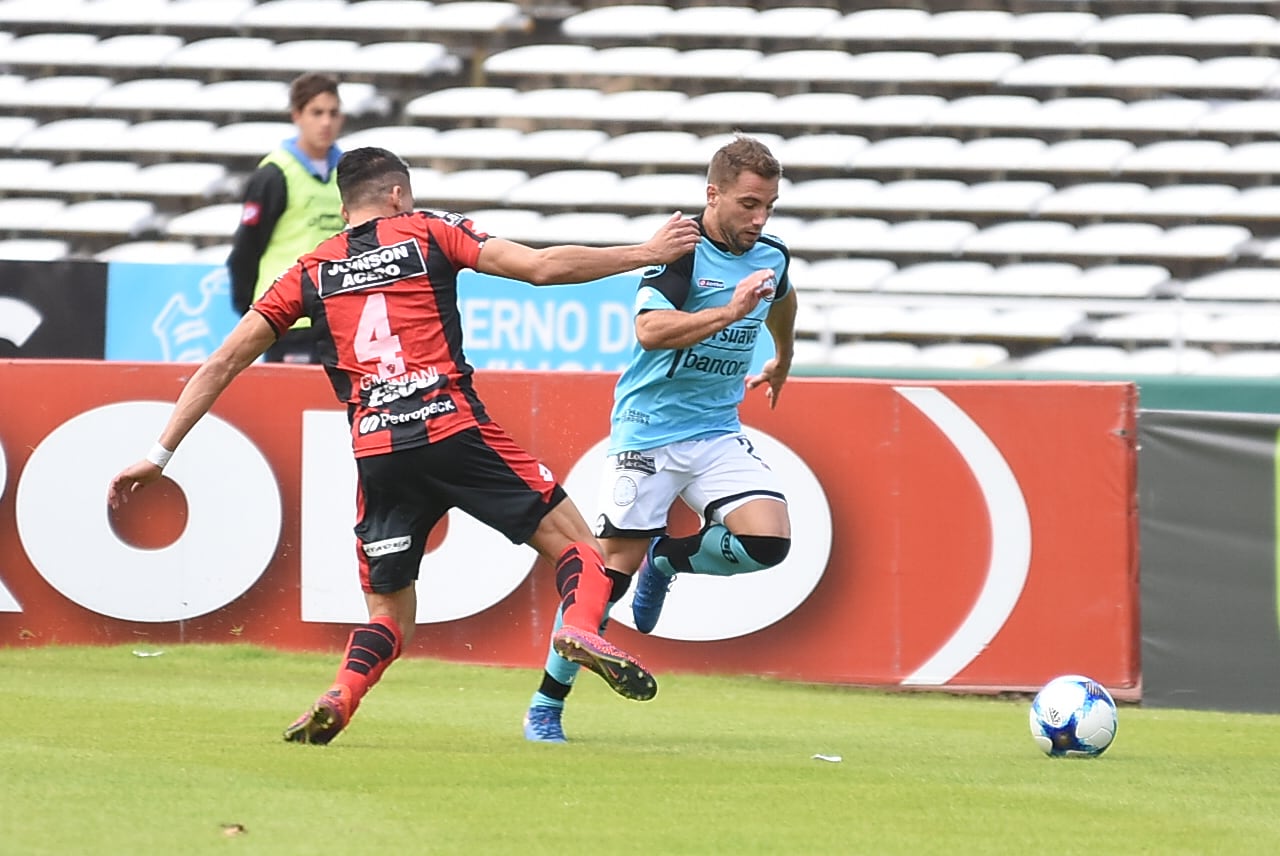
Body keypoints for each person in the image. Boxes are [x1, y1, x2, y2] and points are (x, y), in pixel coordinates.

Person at [108, 146, 702, 746]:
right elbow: (540, 267)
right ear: (397, 194)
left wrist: (159, 456)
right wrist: (647, 253)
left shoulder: (309, 270)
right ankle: (578, 627)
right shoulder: (429, 233)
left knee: (390, 615)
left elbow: (223, 361)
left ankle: (342, 693)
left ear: (343, 208)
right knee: (582, 550)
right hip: (453, 430)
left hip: (379, 456)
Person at [523, 135, 797, 743]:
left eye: (770, 206)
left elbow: (780, 297)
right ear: (713, 194)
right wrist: (727, 313)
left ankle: (666, 560)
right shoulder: (680, 253)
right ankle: (547, 704)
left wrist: (783, 355)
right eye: (750, 203)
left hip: (716, 432)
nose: (760, 218)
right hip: (648, 434)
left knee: (768, 541)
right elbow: (650, 331)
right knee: (604, 583)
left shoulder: (772, 254)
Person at [226, 71, 347, 365]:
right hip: (288, 319)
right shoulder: (275, 174)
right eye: (316, 113)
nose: (326, 122)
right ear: (297, 115)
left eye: (333, 113)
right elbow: (246, 249)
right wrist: (254, 312)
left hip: (338, 318)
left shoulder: (348, 172)